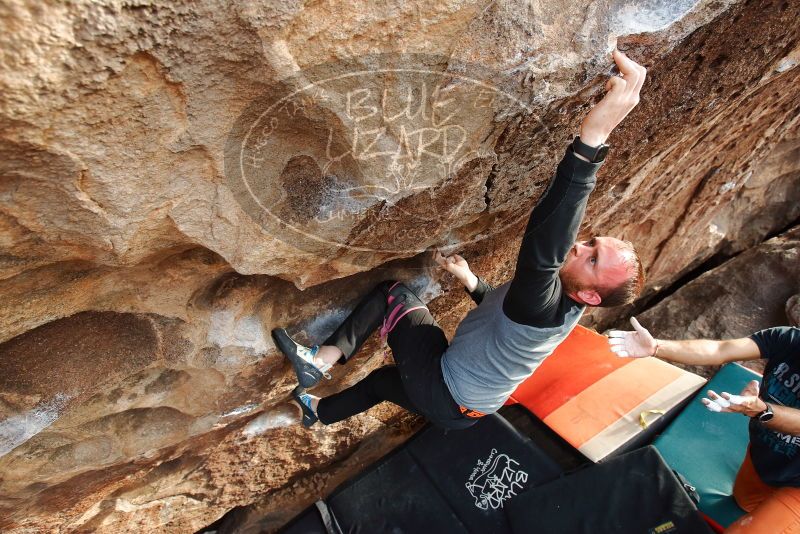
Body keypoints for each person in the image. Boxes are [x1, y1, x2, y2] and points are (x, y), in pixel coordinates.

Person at [272, 49, 647, 431]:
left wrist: (592, 141)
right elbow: (509, 321)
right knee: (385, 383)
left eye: (593, 259)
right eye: (591, 243)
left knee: (394, 296)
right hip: (467, 412)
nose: (580, 247)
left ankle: (317, 363)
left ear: (591, 296)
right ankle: (316, 411)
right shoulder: (559, 306)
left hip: (445, 388)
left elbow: (545, 243)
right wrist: (471, 281)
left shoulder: (543, 303)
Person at [607, 319, 800, 533]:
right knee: (745, 501)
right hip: (765, 457)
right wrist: (656, 347)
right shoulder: (789, 339)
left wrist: (762, 410)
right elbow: (720, 349)